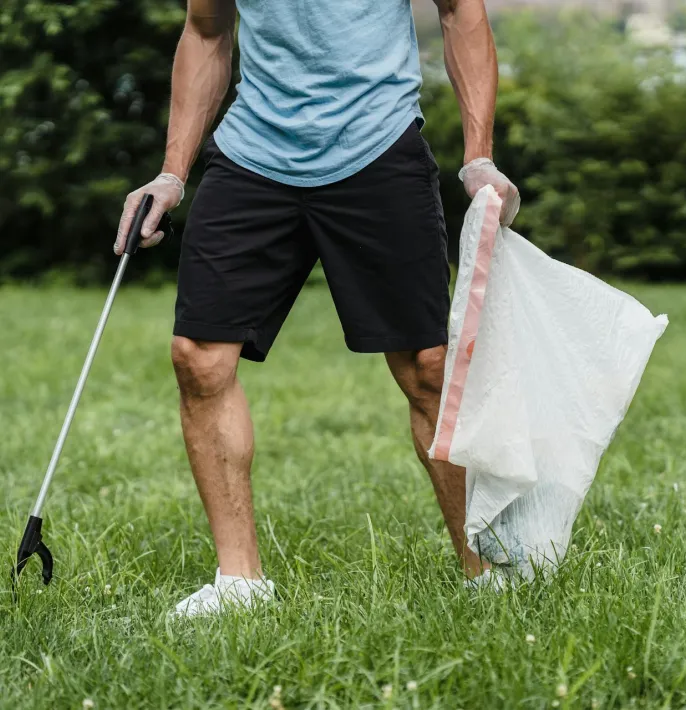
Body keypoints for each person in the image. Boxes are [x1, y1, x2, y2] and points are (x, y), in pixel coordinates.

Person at [114, 0, 520, 618]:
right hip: (254, 154)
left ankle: (485, 569)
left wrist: (479, 157)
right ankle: (239, 583)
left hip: (378, 147)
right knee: (198, 357)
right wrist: (171, 175)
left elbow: (461, 11)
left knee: (427, 367)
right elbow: (206, 30)